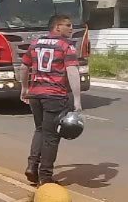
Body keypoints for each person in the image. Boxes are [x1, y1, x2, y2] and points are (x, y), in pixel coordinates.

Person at [19, 14, 82, 185]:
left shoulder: (35, 43)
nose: (71, 28)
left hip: (35, 94)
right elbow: (73, 72)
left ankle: (32, 166)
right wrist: (77, 100)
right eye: (67, 25)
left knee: (40, 130)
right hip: (55, 95)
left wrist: (24, 88)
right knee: (52, 136)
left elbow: (24, 67)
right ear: (56, 27)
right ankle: (45, 177)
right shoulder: (66, 46)